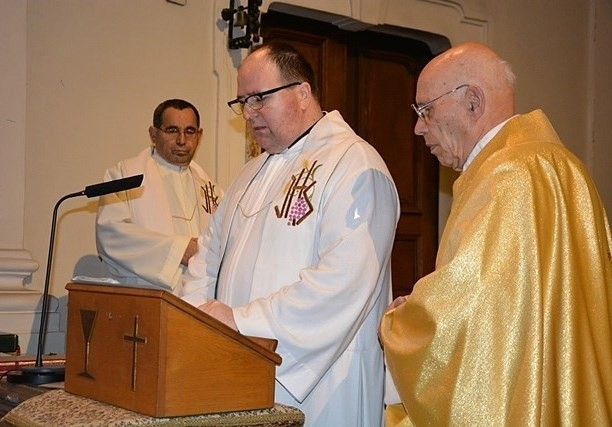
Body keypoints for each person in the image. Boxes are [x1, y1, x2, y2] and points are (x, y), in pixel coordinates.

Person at [379, 42, 612, 425]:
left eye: (426, 110)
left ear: (473, 102)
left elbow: (471, 310)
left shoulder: (506, 177)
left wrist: (402, 323)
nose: (418, 127)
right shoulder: (568, 169)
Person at [181, 42, 399, 426]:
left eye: (259, 98)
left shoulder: (355, 165)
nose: (249, 113)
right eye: (242, 102)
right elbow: (207, 256)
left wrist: (243, 322)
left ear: (302, 93)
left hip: (325, 383)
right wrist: (198, 321)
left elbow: (344, 281)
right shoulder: (249, 174)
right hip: (240, 364)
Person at [96, 99, 222, 295]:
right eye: (172, 131)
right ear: (153, 134)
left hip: (198, 299)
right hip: (145, 295)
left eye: (190, 131)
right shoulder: (124, 176)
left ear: (199, 136)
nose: (182, 140)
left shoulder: (212, 189)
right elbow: (110, 235)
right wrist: (180, 250)